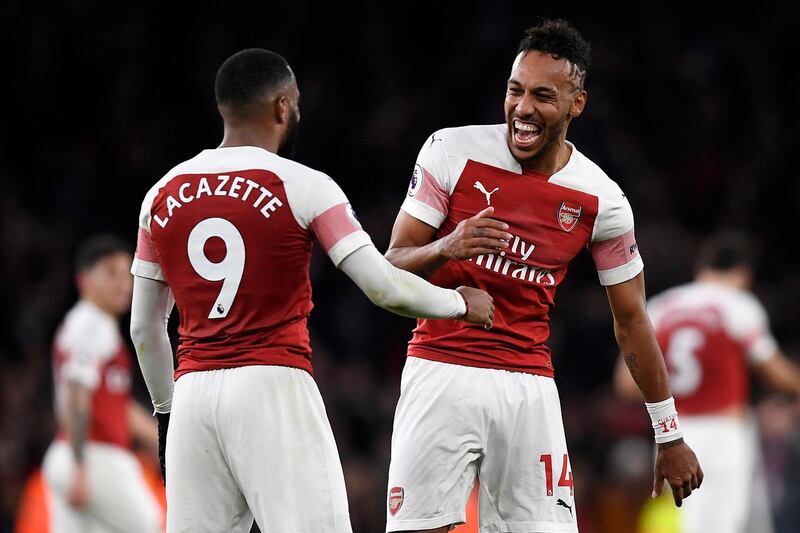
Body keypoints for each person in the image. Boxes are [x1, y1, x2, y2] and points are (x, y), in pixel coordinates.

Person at [128, 48, 494, 533]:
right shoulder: (303, 185)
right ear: (283, 106)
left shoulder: (160, 194)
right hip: (272, 385)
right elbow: (382, 286)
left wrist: (167, 413)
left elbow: (144, 327)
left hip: (193, 395)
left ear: (223, 108)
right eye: (296, 102)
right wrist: (458, 303)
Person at [383, 19, 702, 533]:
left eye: (542, 96)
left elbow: (632, 321)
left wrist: (667, 432)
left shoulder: (602, 199)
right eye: (515, 90)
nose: (523, 108)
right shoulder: (450, 150)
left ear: (576, 104)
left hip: (527, 386)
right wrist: (449, 245)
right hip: (440, 371)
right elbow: (390, 263)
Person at [615, 232, 800, 533]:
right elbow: (774, 373)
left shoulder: (663, 307)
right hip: (724, 433)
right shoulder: (738, 305)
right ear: (742, 273)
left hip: (672, 435)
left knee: (682, 523)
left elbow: (625, 384)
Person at [42, 235, 162, 533]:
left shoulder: (94, 326)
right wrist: (80, 464)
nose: (123, 284)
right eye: (111, 273)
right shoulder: (90, 324)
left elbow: (115, 405)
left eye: (127, 274)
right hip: (93, 455)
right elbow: (77, 395)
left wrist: (161, 440)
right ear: (84, 280)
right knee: (148, 525)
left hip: (74, 454)